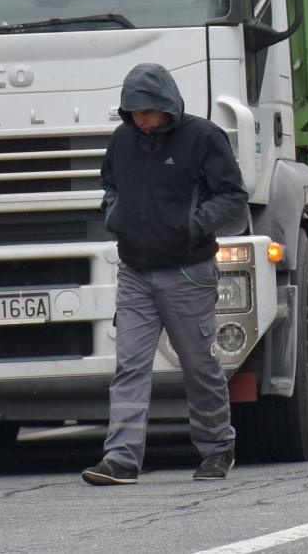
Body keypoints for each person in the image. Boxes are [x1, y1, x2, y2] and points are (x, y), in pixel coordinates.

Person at [81, 63, 248, 486]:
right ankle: (121, 459)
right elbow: (110, 187)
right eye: (132, 112)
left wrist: (194, 224)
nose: (139, 119)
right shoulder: (122, 141)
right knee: (130, 366)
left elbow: (233, 197)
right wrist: (115, 215)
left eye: (146, 111)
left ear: (166, 105)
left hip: (188, 273)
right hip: (135, 272)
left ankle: (217, 449)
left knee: (199, 365)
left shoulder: (203, 137)